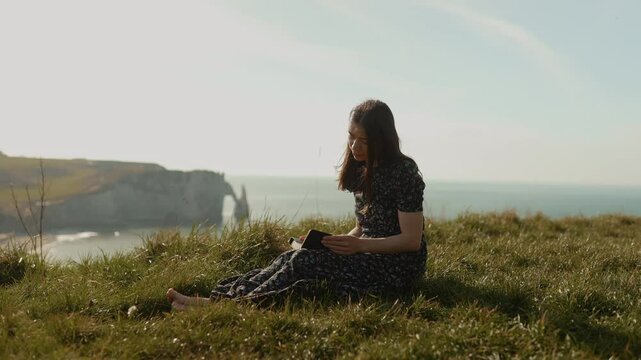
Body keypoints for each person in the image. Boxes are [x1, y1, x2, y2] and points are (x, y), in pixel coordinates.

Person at [167, 99, 427, 310]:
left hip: (398, 266)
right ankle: (219, 299)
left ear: (382, 140)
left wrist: (359, 245)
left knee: (302, 264)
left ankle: (218, 305)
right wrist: (331, 243)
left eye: (364, 141)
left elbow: (411, 240)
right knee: (289, 257)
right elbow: (363, 227)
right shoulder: (362, 169)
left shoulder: (403, 173)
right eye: (351, 137)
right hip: (367, 252)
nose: (354, 146)